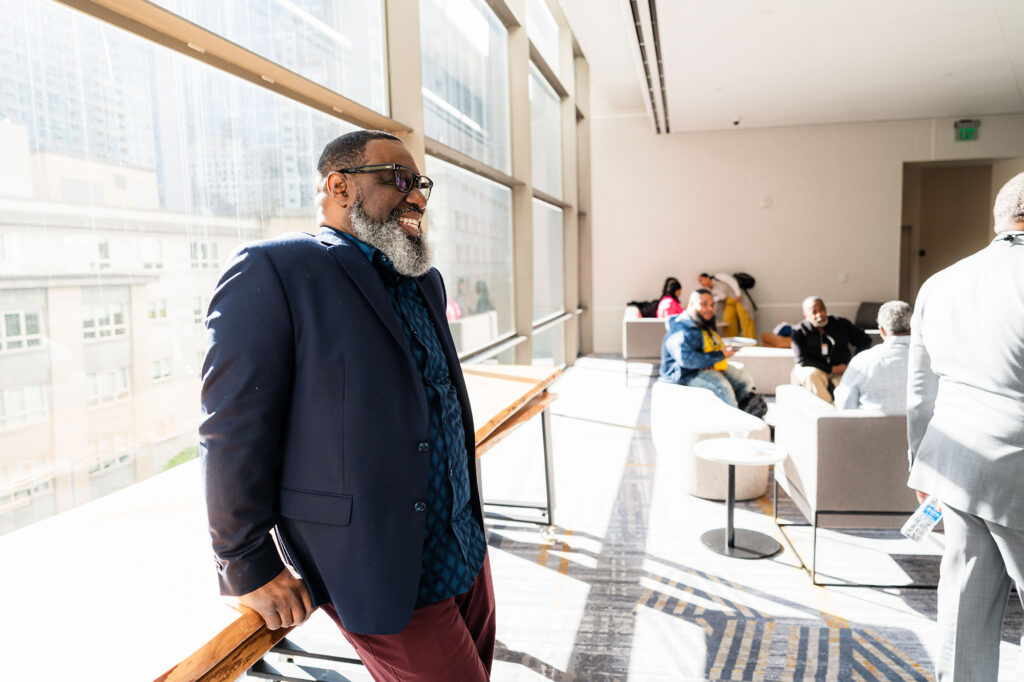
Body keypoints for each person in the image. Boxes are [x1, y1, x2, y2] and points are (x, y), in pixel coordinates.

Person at [200, 130, 495, 681]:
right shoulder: (278, 269)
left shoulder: (422, 280)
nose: (418, 197)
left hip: (461, 543)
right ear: (339, 186)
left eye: (422, 184)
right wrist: (245, 562)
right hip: (377, 558)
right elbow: (231, 428)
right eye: (399, 180)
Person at [907, 172, 1024, 681]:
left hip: (953, 468)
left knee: (964, 609)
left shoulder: (940, 282)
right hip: (1017, 471)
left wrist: (919, 465)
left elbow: (918, 395)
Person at [660, 288, 766, 417]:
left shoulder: (701, 323)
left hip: (705, 367)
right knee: (723, 388)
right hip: (685, 374)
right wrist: (718, 356)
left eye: (711, 305)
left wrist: (720, 354)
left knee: (743, 379)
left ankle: (754, 417)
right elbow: (686, 359)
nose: (709, 308)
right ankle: (736, 425)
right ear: (692, 304)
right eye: (704, 304)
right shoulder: (680, 329)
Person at [789, 296, 871, 404]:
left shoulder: (841, 323)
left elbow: (865, 340)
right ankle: (827, 411)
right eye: (814, 312)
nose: (820, 315)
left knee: (851, 382)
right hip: (815, 368)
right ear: (806, 315)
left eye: (822, 309)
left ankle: (843, 410)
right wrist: (831, 369)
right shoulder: (799, 331)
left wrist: (853, 363)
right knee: (811, 375)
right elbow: (802, 360)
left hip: (842, 368)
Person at [833, 300, 911, 413]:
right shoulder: (931, 359)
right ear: (912, 327)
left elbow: (844, 406)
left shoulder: (862, 361)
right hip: (924, 430)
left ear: (882, 330)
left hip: (872, 428)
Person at [697, 272, 755, 338]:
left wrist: (738, 293)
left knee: (746, 323)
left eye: (702, 280)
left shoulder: (718, 277)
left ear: (707, 277)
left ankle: (751, 345)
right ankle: (730, 345)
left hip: (739, 299)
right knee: (728, 323)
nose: (701, 283)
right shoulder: (710, 290)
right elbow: (720, 298)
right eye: (699, 282)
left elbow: (732, 282)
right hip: (729, 303)